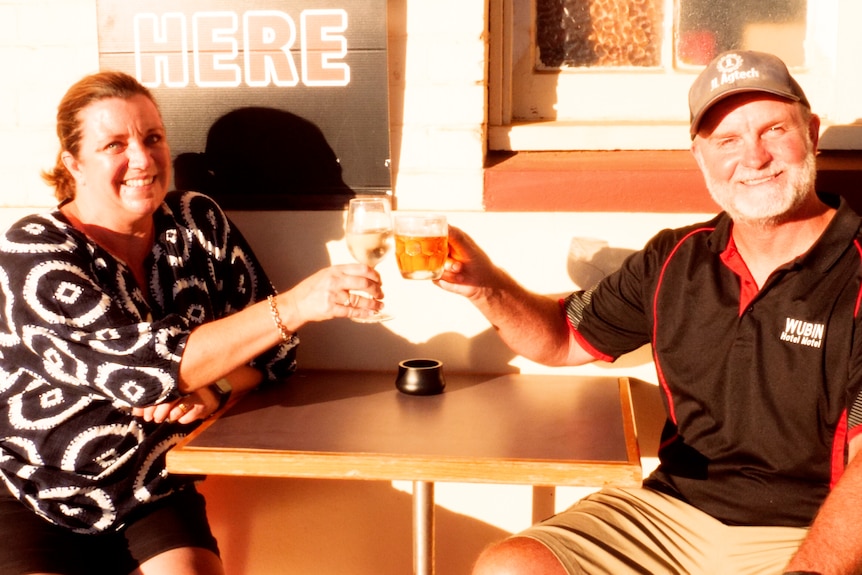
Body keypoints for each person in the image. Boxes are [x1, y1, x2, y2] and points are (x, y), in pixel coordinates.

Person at [436, 50, 862, 575]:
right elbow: (562, 338)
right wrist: (485, 286)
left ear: (812, 133)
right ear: (700, 156)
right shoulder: (674, 259)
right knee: (511, 567)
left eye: (773, 130)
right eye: (727, 140)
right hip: (670, 511)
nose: (753, 157)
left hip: (806, 527)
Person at [0, 71, 384, 575]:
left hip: (152, 488)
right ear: (74, 164)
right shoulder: (36, 248)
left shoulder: (196, 222)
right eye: (114, 144)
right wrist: (296, 306)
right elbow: (142, 373)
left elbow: (276, 357)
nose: (142, 159)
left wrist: (216, 384)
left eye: (152, 138)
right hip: (35, 492)